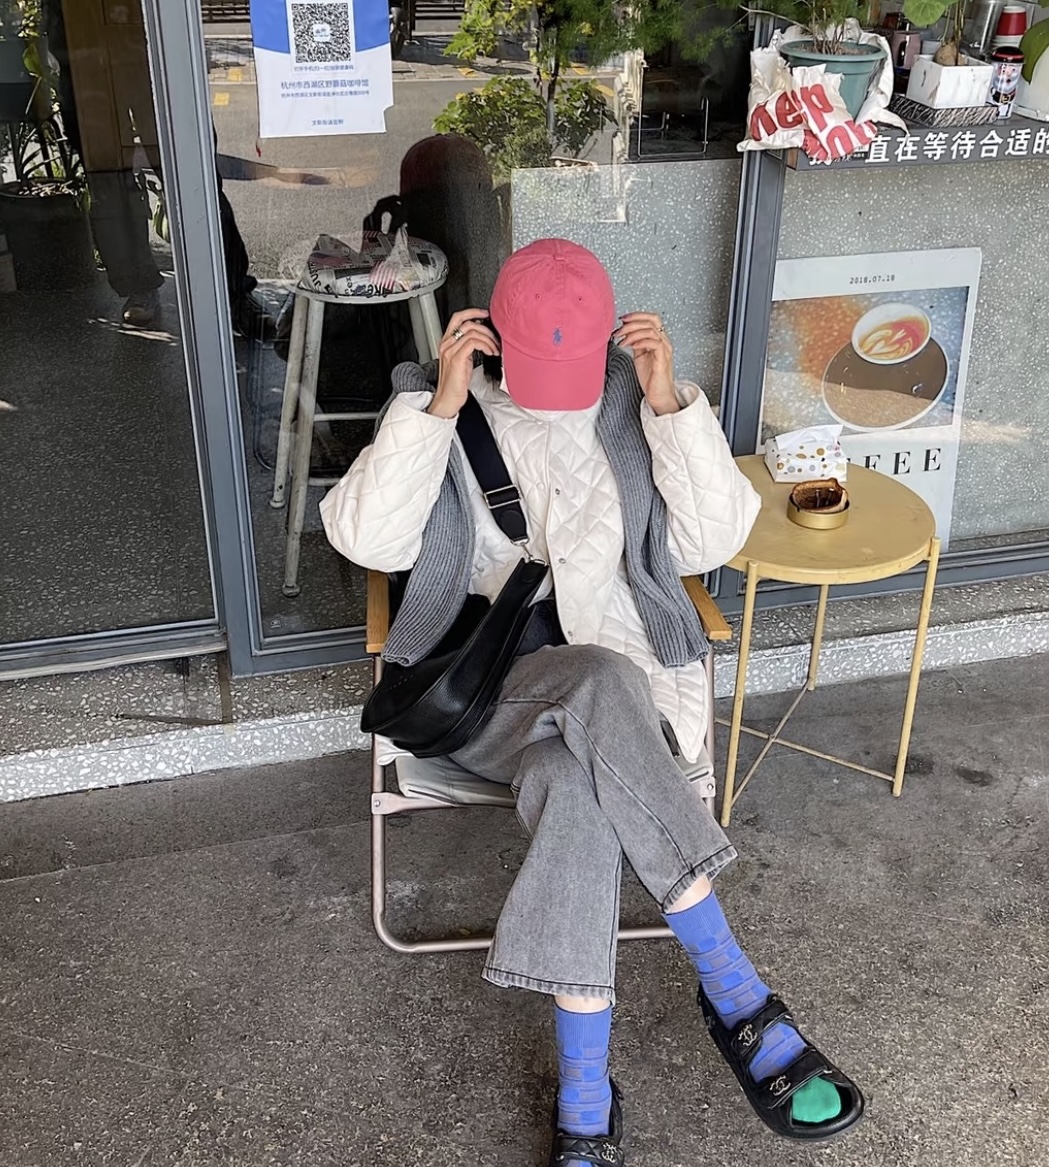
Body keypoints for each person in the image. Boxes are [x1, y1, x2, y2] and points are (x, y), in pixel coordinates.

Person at [320, 239, 865, 1164]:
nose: (557, 395)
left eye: (572, 373)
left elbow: (711, 542)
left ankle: (585, 1093)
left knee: (575, 782)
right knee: (600, 678)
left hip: (618, 723)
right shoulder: (440, 397)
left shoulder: (628, 399)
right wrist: (437, 409)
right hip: (485, 700)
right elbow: (366, 539)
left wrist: (668, 408)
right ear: (490, 336)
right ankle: (731, 987)